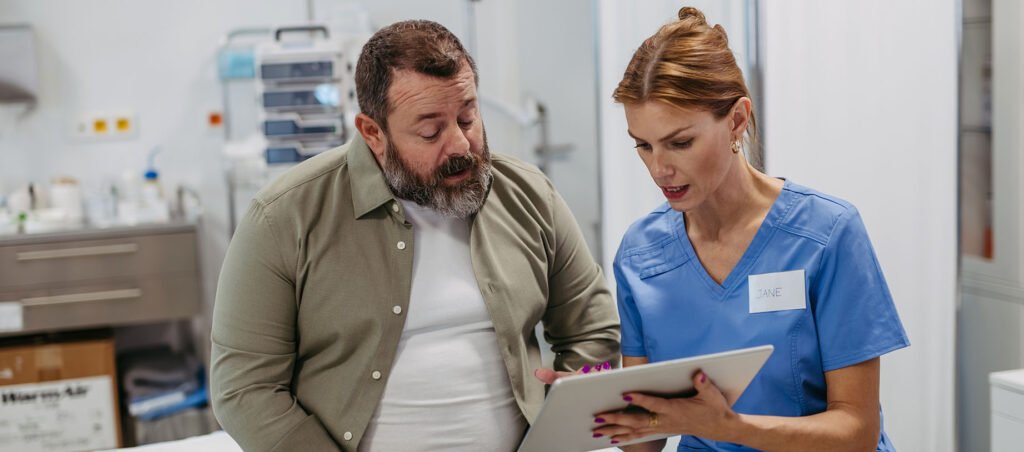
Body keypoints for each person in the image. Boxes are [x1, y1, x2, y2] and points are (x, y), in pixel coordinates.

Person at [210, 20, 620, 452]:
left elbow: (593, 332)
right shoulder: (284, 217)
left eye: (468, 116)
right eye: (430, 131)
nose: (461, 144)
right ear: (373, 134)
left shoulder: (529, 194)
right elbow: (244, 390)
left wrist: (566, 419)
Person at [590, 6, 910, 452]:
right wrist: (596, 402)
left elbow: (856, 431)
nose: (658, 168)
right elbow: (647, 443)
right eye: (643, 145)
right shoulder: (641, 254)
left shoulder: (826, 235)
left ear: (738, 120)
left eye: (680, 142)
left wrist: (731, 427)